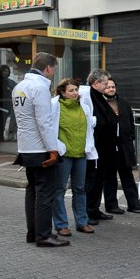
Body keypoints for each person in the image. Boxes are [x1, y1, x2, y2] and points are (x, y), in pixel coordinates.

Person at [12, 52, 68, 248]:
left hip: (26, 147)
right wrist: (53, 149)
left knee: (32, 191)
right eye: (53, 69)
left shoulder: (19, 87)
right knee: (45, 193)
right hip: (40, 147)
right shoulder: (40, 88)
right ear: (48, 68)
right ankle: (44, 235)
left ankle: (33, 233)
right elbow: (44, 122)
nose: (53, 73)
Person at [50, 78, 96, 237]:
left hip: (81, 153)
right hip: (64, 154)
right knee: (59, 189)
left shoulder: (83, 107)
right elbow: (50, 129)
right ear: (63, 92)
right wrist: (58, 147)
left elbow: (89, 129)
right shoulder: (55, 106)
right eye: (71, 90)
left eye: (76, 90)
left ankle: (82, 222)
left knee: (80, 189)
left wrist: (88, 147)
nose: (75, 93)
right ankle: (61, 224)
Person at [102, 78, 140, 213]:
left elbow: (131, 121)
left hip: (125, 146)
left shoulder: (124, 103)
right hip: (108, 146)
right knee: (110, 177)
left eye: (113, 87)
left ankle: (134, 204)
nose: (111, 89)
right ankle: (111, 205)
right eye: (108, 87)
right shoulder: (100, 104)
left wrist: (130, 137)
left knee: (127, 175)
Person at [82, 69, 118, 223]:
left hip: (104, 148)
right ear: (96, 83)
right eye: (104, 84)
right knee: (91, 180)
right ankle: (87, 212)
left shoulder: (99, 97)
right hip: (95, 147)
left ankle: (94, 209)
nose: (107, 86)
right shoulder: (88, 96)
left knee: (99, 179)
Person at [0, 64, 17, 141]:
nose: (6, 73)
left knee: (5, 122)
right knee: (0, 123)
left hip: (7, 105)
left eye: (7, 71)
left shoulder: (9, 81)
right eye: (4, 71)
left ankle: (2, 137)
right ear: (1, 71)